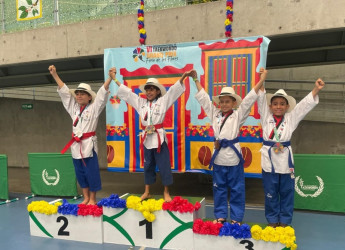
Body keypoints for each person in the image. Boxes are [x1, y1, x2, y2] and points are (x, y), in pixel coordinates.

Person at [191, 68, 268, 225]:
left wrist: (262, 80)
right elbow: (204, 99)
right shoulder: (215, 114)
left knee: (236, 190)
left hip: (234, 159)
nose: (224, 104)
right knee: (219, 189)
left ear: (234, 103)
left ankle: (236, 218)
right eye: (222, 101)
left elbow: (249, 99)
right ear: (219, 103)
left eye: (228, 101)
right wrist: (195, 80)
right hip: (218, 158)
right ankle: (220, 216)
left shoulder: (238, 115)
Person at [110, 67, 193, 202]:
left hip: (159, 139)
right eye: (147, 89)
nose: (149, 92)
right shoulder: (140, 103)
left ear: (158, 91)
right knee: (147, 165)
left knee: (164, 165)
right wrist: (114, 79)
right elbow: (128, 93)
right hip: (147, 139)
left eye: (152, 89)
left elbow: (173, 91)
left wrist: (183, 77)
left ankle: (166, 192)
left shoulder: (162, 101)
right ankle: (147, 191)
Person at [258, 78, 325, 227]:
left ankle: (285, 221)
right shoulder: (265, 117)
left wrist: (316, 90)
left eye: (282, 104)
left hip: (285, 162)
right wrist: (261, 80)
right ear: (270, 106)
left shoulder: (291, 118)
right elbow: (260, 100)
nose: (278, 107)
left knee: (287, 193)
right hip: (269, 162)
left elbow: (303, 107)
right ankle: (272, 220)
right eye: (275, 104)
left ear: (287, 106)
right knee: (270, 193)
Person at [49, 65, 111, 205]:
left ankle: (93, 198)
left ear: (89, 97)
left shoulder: (94, 108)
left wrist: (109, 79)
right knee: (80, 172)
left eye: (82, 93)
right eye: (77, 93)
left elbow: (102, 95)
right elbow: (65, 93)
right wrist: (55, 74)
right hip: (76, 145)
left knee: (91, 173)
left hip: (89, 145)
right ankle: (86, 197)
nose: (79, 95)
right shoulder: (74, 109)